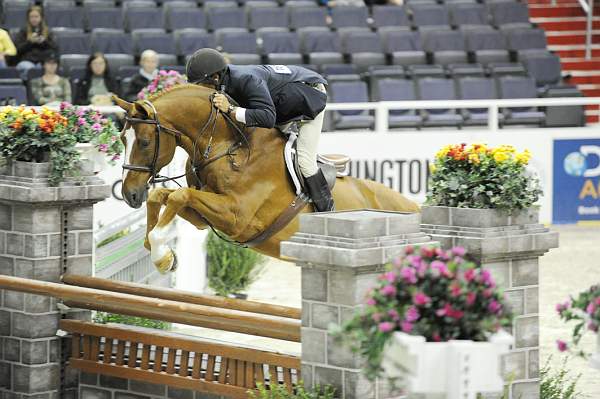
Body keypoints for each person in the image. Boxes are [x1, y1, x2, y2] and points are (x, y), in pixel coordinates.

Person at [185, 48, 335, 212]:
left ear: (215, 77)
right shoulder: (223, 82)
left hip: (308, 97)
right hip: (281, 102)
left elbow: (268, 118)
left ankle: (327, 210)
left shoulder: (246, 79)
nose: (199, 89)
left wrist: (231, 110)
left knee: (305, 162)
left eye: (200, 84)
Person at [14, 6, 58, 78]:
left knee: (47, 67)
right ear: (28, 18)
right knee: (29, 69)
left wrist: (44, 42)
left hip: (43, 61)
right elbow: (17, 50)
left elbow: (55, 48)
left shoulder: (48, 32)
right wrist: (30, 42)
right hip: (27, 61)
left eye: (36, 16)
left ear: (41, 17)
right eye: (31, 17)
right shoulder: (23, 31)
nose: (34, 19)